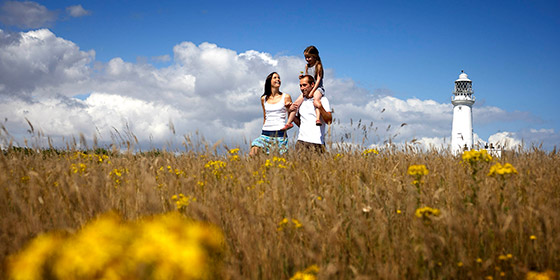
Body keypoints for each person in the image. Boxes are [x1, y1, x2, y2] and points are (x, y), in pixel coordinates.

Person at [250, 72, 293, 156]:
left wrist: (288, 121)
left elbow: (291, 115)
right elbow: (265, 116)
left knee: (281, 162)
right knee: (253, 153)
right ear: (269, 81)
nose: (278, 80)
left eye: (279, 78)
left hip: (280, 134)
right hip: (265, 133)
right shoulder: (264, 98)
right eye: (275, 78)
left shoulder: (286, 96)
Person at [282, 45, 325, 130]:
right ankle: (288, 123)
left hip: (317, 88)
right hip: (308, 88)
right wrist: (302, 77)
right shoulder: (307, 66)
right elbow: (307, 77)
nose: (307, 59)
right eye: (306, 57)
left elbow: (319, 80)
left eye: (309, 57)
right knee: (295, 104)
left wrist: (313, 91)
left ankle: (317, 118)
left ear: (314, 56)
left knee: (316, 100)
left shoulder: (318, 65)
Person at [293, 75, 332, 153]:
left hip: (318, 143)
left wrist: (320, 107)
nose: (302, 88)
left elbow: (329, 120)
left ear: (312, 85)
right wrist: (290, 113)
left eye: (304, 85)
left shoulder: (323, 100)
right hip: (301, 142)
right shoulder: (301, 101)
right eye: (300, 86)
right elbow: (300, 123)